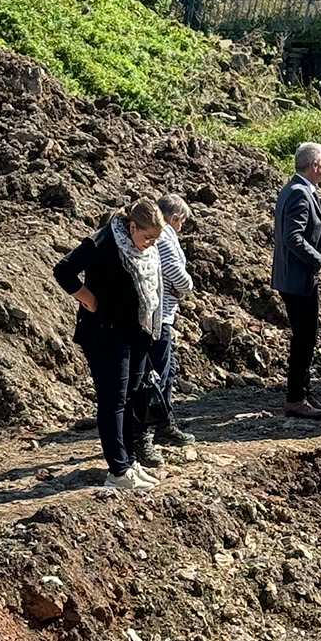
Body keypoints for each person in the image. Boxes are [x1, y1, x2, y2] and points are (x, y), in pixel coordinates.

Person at [54, 200, 167, 491]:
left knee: (130, 397)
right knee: (113, 400)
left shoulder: (144, 248)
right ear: (132, 227)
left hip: (136, 332)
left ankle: (129, 462)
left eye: (156, 239)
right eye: (147, 238)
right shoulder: (103, 241)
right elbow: (64, 270)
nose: (150, 244)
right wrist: (89, 300)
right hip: (106, 333)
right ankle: (117, 470)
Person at [272, 143, 321, 420]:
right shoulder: (299, 193)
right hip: (298, 279)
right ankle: (296, 397)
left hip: (295, 278)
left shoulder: (297, 189)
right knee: (304, 338)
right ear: (315, 165)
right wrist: (316, 260)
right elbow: (293, 237)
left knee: (306, 337)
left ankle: (303, 393)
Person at [146, 194, 197, 454]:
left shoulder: (159, 234)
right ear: (174, 217)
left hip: (161, 313)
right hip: (159, 315)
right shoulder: (164, 236)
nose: (181, 228)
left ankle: (164, 422)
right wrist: (186, 286)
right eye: (181, 222)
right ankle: (153, 429)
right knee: (159, 374)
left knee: (167, 370)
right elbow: (176, 273)